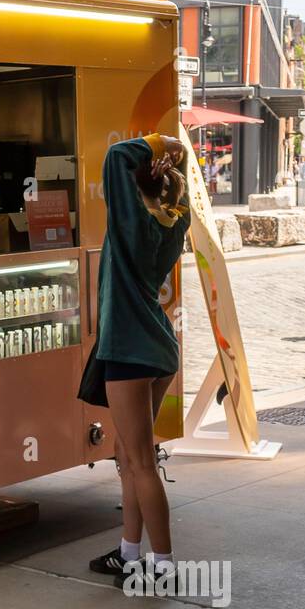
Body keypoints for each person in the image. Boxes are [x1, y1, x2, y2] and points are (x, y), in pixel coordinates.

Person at [82, 134, 190, 584]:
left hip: (130, 349)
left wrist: (161, 142)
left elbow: (116, 154)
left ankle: (162, 564)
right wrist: (172, 168)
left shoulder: (129, 224)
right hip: (157, 344)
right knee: (126, 454)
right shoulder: (172, 221)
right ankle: (129, 553)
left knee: (141, 461)